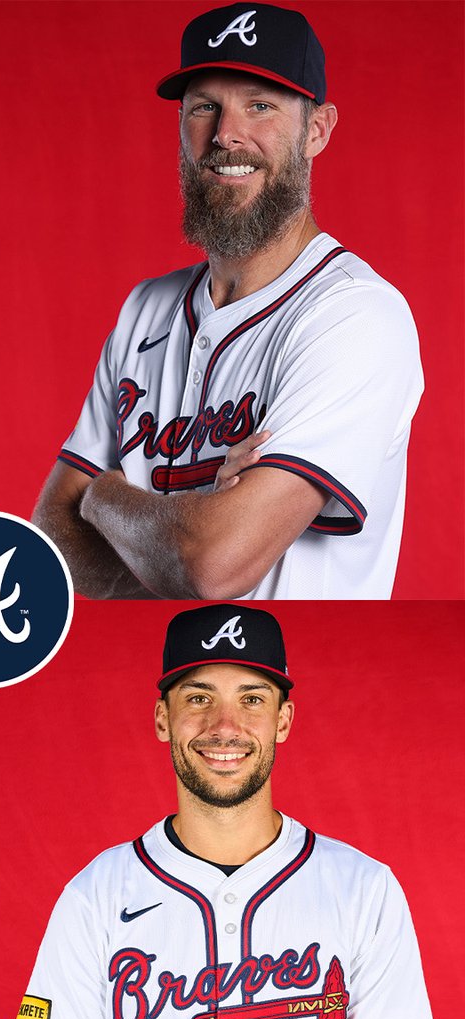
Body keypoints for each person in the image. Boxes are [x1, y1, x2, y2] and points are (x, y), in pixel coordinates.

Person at [8, 604, 432, 1019]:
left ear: (283, 720)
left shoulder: (365, 888)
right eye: (199, 697)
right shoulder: (95, 893)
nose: (225, 725)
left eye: (253, 699)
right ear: (163, 718)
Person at [33, 3, 423, 600]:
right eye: (204, 106)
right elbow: (51, 539)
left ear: (316, 129)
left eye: (260, 105)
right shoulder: (146, 307)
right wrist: (190, 521)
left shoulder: (354, 315)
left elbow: (213, 565)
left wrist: (104, 496)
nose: (226, 134)